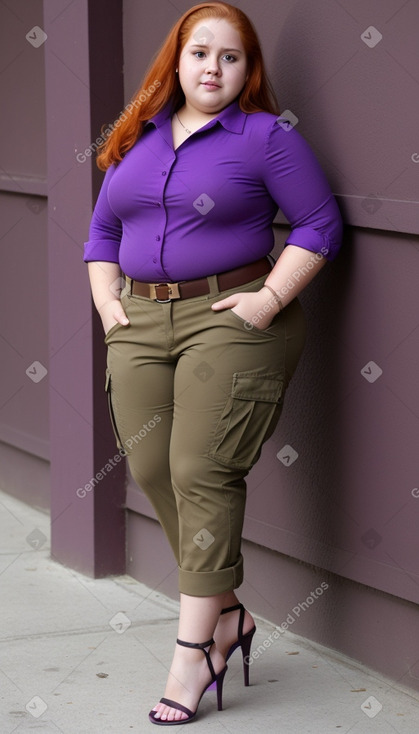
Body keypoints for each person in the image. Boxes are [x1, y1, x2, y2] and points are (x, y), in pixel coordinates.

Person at [84, 1, 342, 725]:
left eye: (230, 58)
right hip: (137, 320)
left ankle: (193, 651)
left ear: (246, 70)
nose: (213, 69)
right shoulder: (134, 137)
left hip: (230, 315)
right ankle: (228, 614)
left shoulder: (265, 137)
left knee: (202, 470)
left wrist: (268, 300)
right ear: (176, 60)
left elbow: (319, 224)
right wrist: (108, 304)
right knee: (149, 467)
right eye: (200, 53)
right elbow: (102, 231)